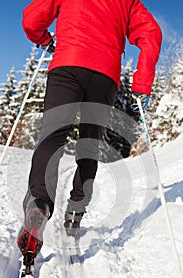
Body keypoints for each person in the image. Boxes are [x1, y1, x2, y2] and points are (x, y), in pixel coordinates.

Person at [17, 0, 162, 260]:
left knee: (52, 138)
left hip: (68, 65)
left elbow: (31, 19)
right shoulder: (129, 2)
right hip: (105, 76)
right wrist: (142, 83)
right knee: (89, 144)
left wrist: (44, 39)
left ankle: (38, 202)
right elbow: (152, 33)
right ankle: (75, 213)